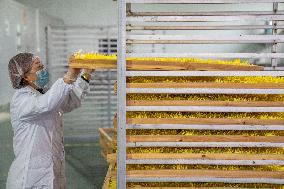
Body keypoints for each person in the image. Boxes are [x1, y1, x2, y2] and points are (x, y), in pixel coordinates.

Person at [6, 52, 92, 189]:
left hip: (50, 171)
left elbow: (71, 101)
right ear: (25, 76)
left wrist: (85, 74)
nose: (43, 71)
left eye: (42, 66)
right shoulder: (20, 99)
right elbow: (46, 104)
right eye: (38, 68)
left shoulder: (42, 92)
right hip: (29, 178)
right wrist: (70, 75)